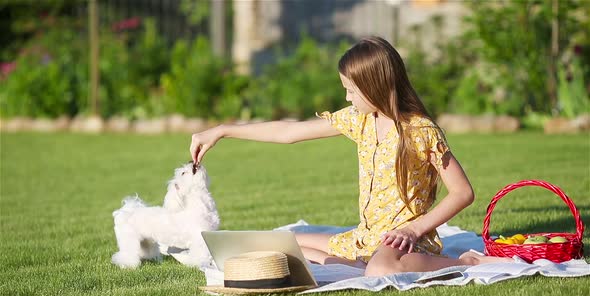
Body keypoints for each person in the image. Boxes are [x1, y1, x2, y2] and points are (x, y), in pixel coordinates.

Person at [189, 36, 512, 277]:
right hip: (365, 238)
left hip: (405, 243)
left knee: (381, 269)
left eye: (352, 90)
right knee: (277, 243)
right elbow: (287, 133)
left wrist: (414, 230)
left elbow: (463, 192)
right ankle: (361, 261)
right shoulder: (359, 120)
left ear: (375, 86)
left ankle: (463, 262)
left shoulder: (420, 130)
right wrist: (222, 130)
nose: (346, 96)